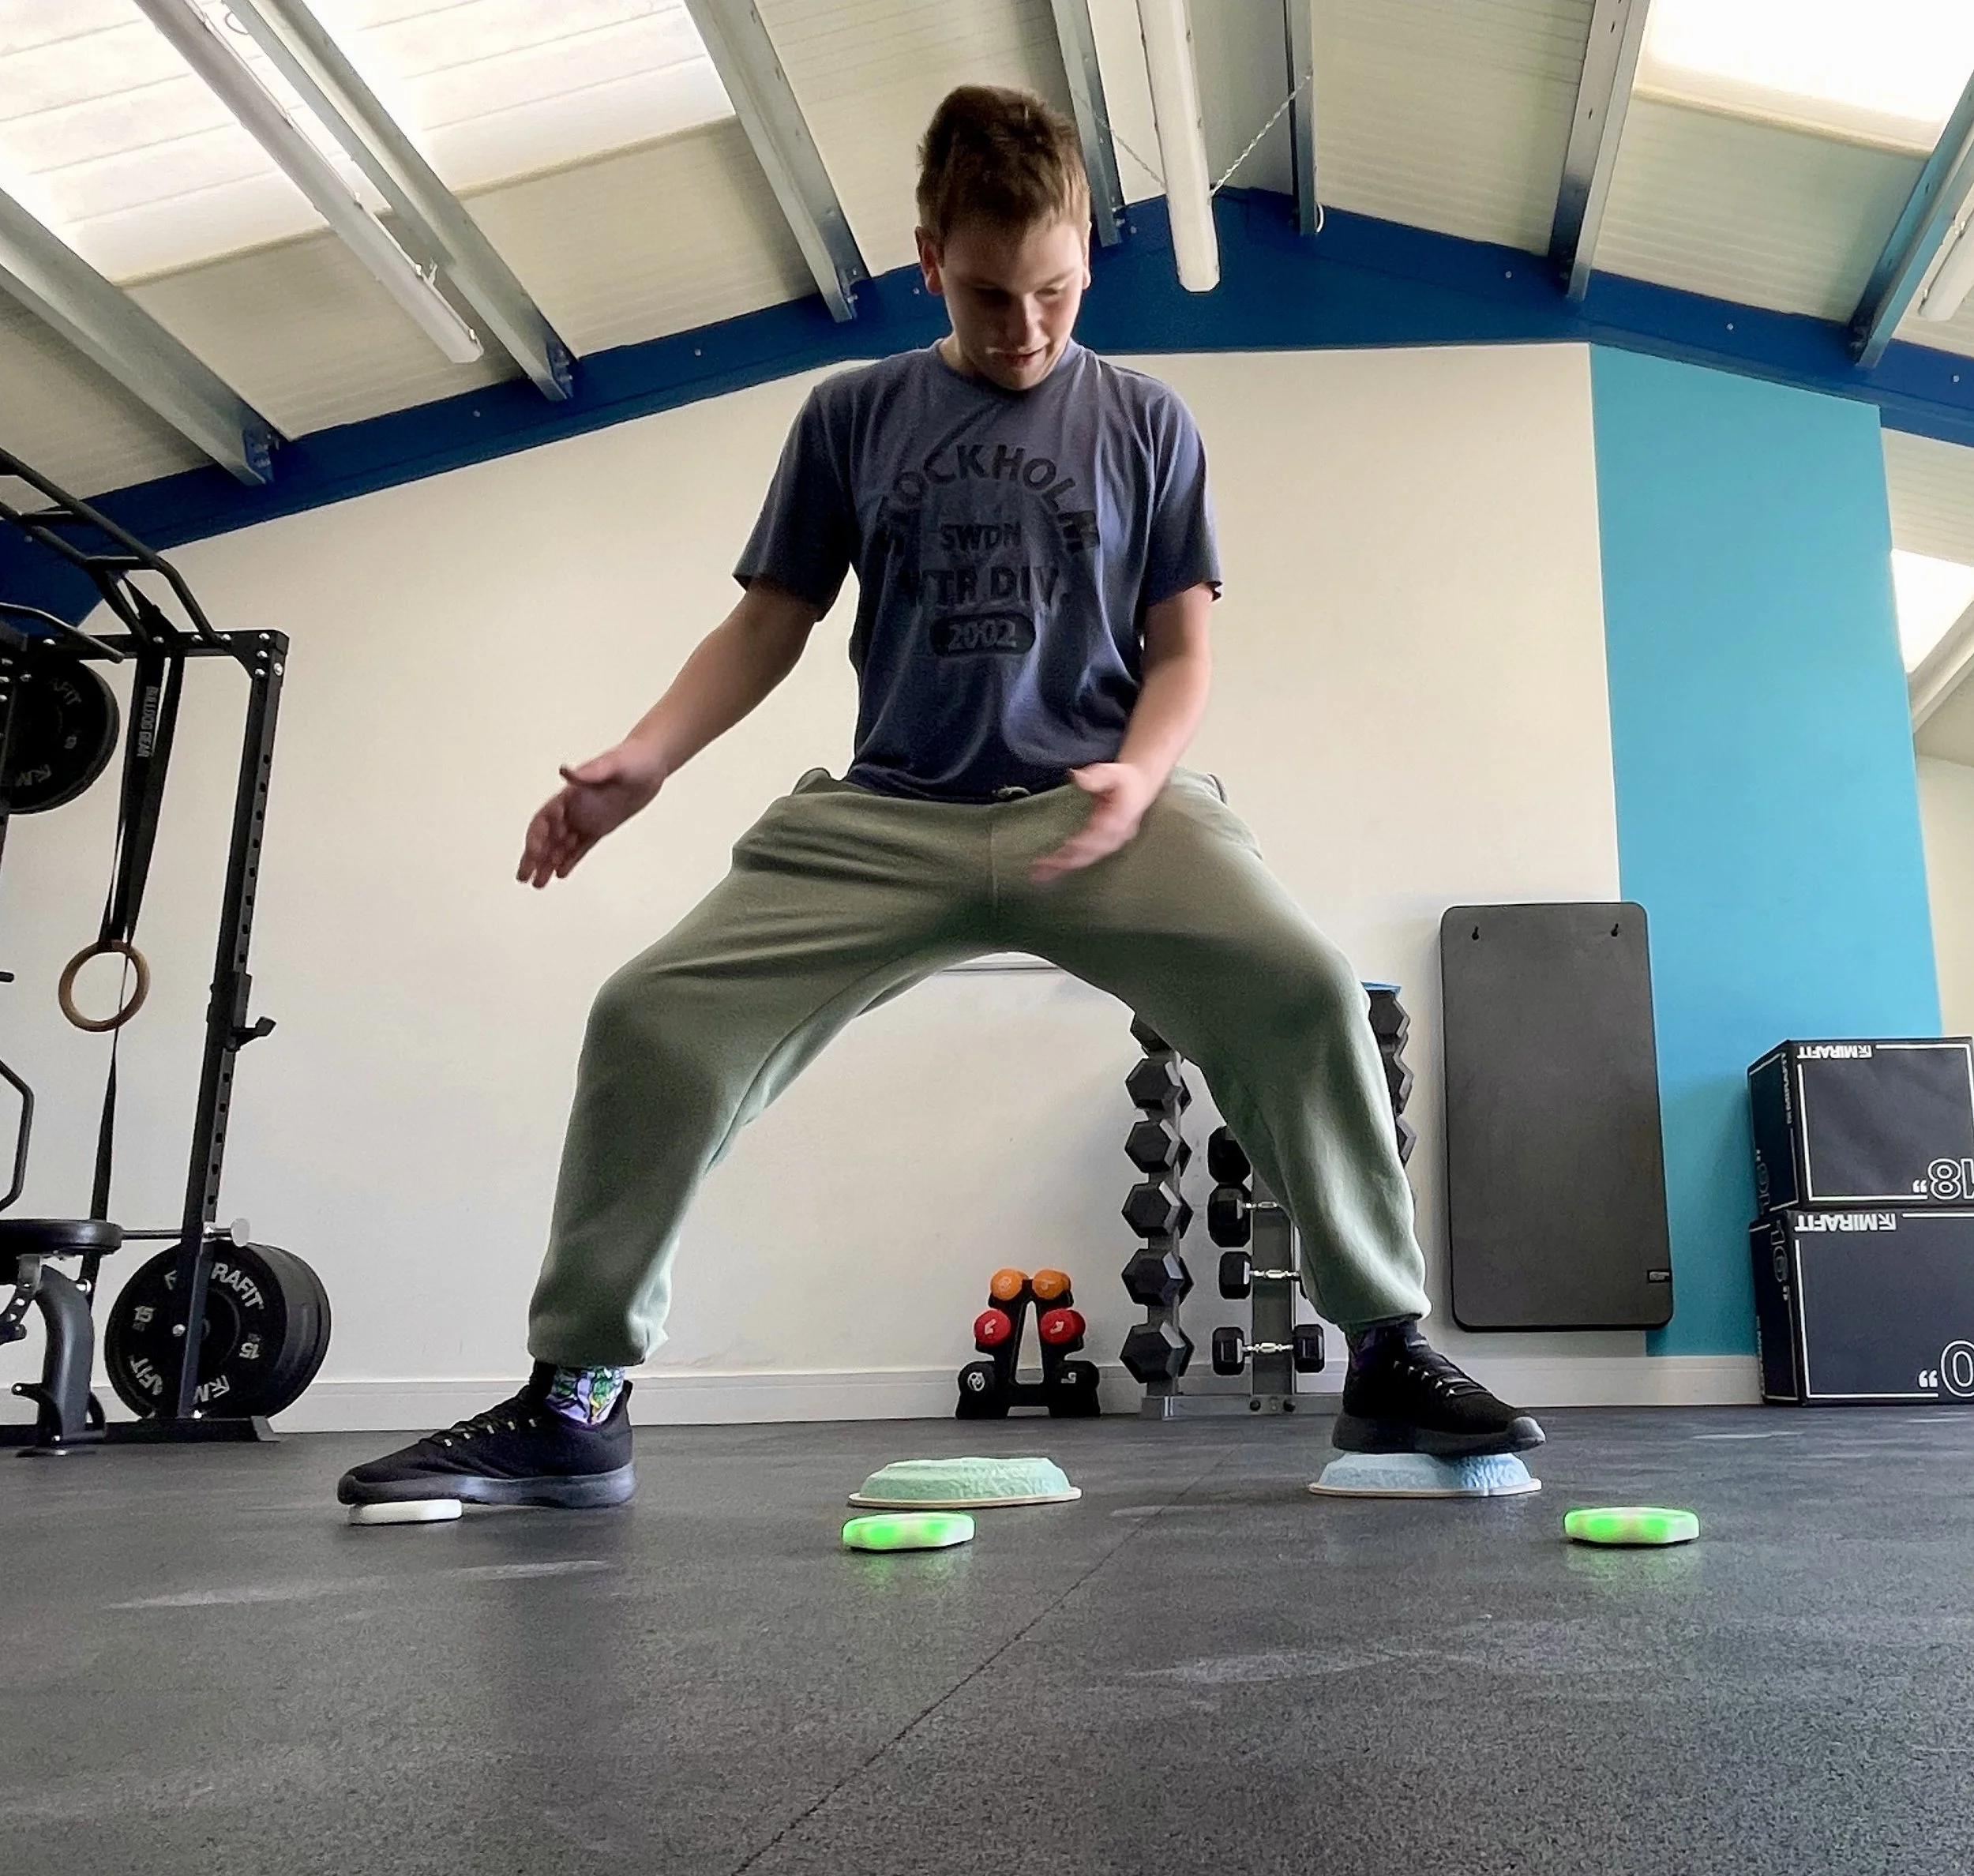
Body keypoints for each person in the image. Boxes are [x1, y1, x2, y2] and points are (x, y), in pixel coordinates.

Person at [337, 84, 1541, 1513]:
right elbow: (768, 622)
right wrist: (644, 761)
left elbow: (1183, 649)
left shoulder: (1148, 420)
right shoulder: (853, 414)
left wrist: (1139, 772)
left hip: (1101, 802)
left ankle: (1389, 1354)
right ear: (928, 262)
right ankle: (576, 1398)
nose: (1025, 327)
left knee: (1305, 988)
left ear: (1087, 257)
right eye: (987, 294)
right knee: (648, 1019)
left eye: (1056, 292)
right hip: (889, 818)